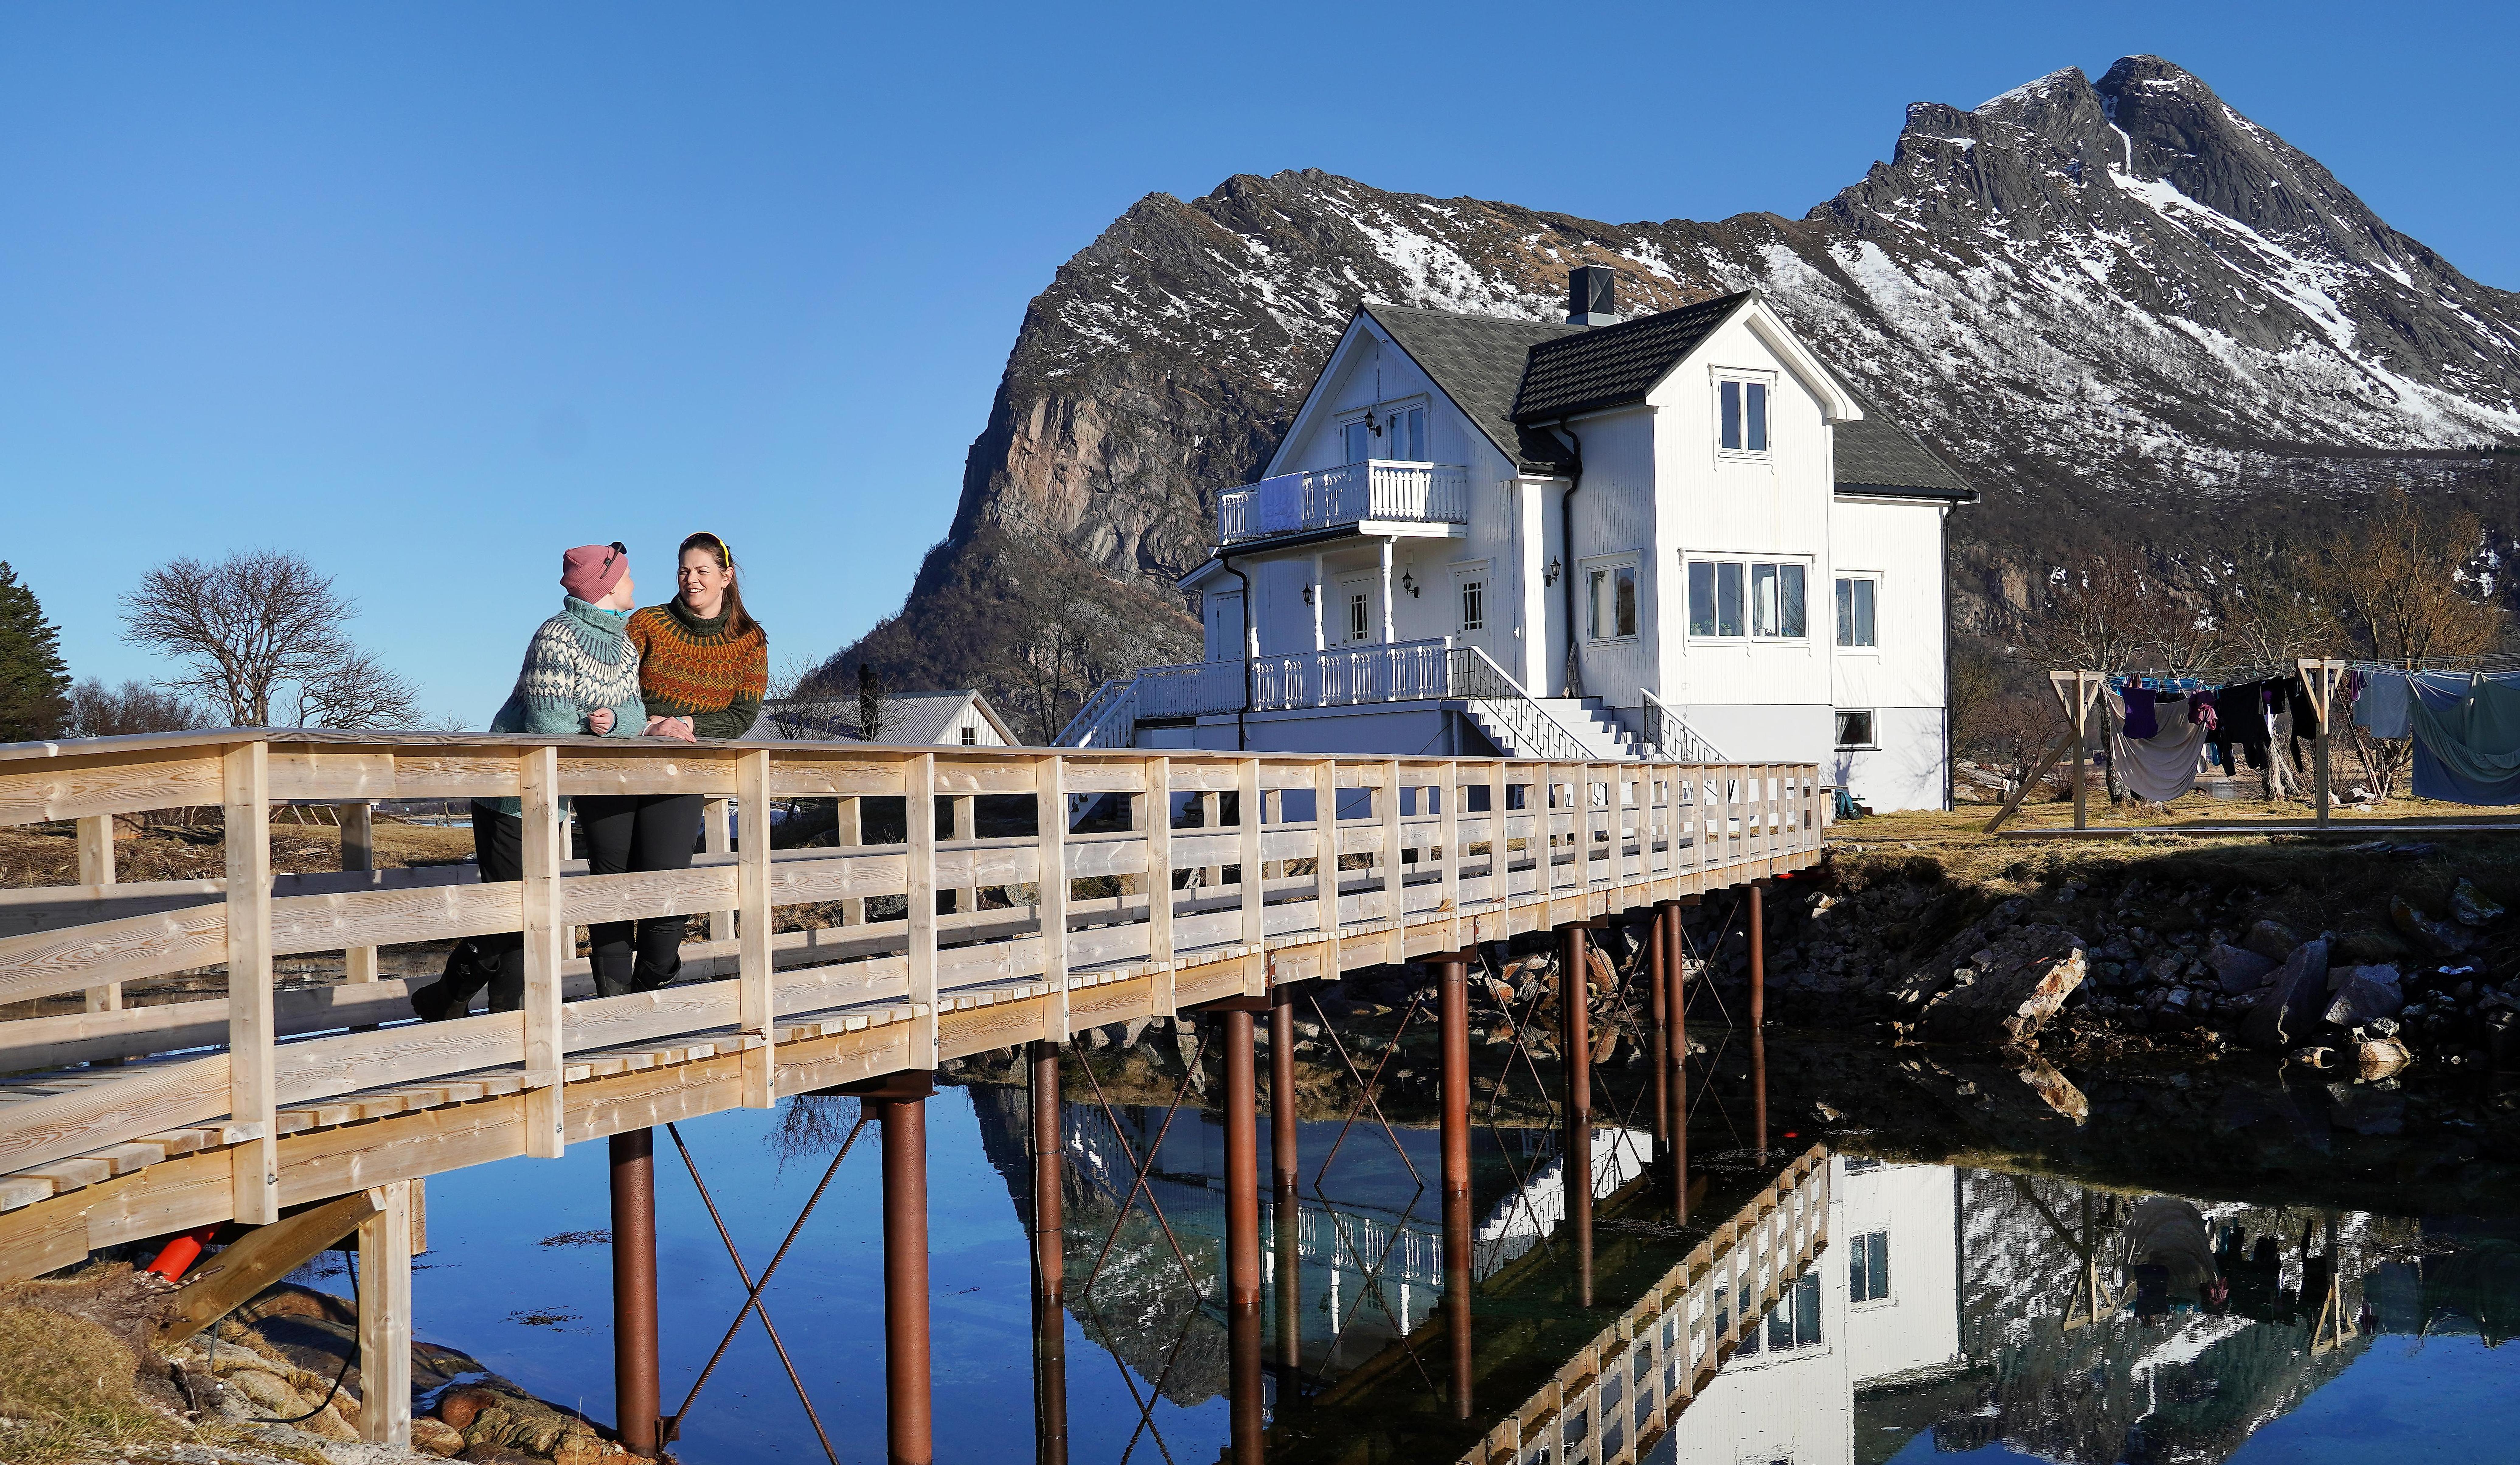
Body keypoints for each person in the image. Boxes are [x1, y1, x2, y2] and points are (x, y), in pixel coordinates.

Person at [412, 543, 646, 1020]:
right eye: (626, 575)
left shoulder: (624, 646)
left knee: (524, 912)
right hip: (508, 792)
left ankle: (449, 1002)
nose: (634, 584)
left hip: (549, 798)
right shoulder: (556, 636)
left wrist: (616, 717)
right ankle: (487, 1019)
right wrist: (594, 725)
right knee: (515, 915)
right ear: (606, 585)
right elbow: (549, 724)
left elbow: (637, 713)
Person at [579, 531, 769, 994]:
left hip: (680, 773)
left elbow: (742, 716)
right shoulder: (647, 623)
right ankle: (612, 1012)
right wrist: (649, 723)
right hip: (615, 767)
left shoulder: (749, 640)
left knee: (666, 892)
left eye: (702, 571)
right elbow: (606, 687)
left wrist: (685, 722)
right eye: (684, 570)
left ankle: (650, 992)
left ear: (725, 577)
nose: (691, 580)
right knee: (611, 892)